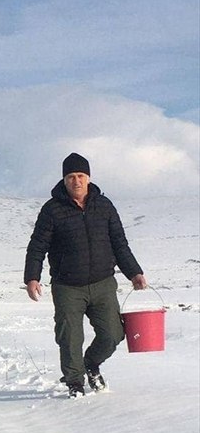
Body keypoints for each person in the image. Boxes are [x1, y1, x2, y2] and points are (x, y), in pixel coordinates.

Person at [24, 152, 147, 398]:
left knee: (113, 334)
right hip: (67, 286)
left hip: (102, 283)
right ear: (64, 180)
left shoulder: (104, 206)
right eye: (71, 176)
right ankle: (75, 383)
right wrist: (32, 277)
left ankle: (90, 363)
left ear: (88, 178)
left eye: (81, 176)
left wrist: (134, 272)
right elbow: (37, 245)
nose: (76, 181)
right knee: (70, 337)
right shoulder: (52, 210)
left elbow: (119, 243)